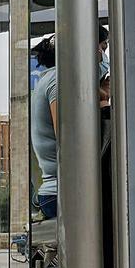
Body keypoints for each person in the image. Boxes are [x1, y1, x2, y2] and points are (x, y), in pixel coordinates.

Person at [28, 25, 109, 219]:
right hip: (64, 192)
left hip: (58, 191)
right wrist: (104, 103)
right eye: (103, 49)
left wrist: (100, 94)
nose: (104, 57)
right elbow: (66, 136)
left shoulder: (51, 79)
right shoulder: (59, 80)